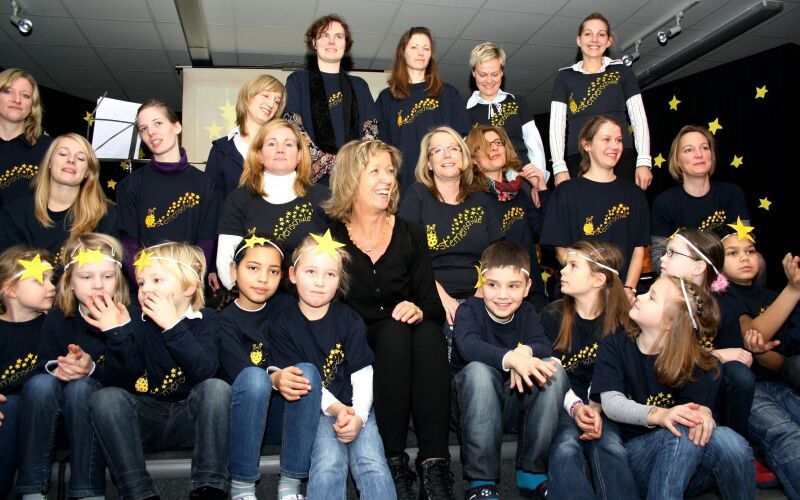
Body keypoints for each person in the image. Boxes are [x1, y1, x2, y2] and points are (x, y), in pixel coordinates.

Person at [326, 140, 454, 499]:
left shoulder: (411, 231)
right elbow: (319, 299)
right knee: (398, 336)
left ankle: (434, 464)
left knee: (428, 332)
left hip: (408, 335)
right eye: (376, 171)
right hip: (355, 340)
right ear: (352, 179)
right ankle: (393, 459)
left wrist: (417, 308)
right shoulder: (330, 236)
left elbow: (432, 304)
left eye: (390, 172)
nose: (387, 180)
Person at [88, 242, 230, 500]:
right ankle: (138, 493)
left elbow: (205, 372)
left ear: (189, 287)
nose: (145, 289)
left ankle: (209, 488)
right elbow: (120, 382)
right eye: (141, 283)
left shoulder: (207, 319)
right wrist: (116, 335)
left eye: (156, 280)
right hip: (145, 418)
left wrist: (173, 326)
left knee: (216, 388)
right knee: (104, 397)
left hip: (189, 418)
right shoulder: (132, 319)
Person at [591, 275, 755, 499]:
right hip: (634, 464)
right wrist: (662, 415)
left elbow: (700, 422)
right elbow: (611, 405)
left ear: (669, 323)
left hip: (687, 470)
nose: (639, 295)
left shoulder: (701, 364)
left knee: (730, 442)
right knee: (682, 429)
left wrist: (705, 415)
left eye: (652, 297)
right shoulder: (615, 346)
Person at [270, 231, 395, 499]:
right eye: (311, 272)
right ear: (292, 274)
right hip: (315, 411)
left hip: (358, 407)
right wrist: (338, 410)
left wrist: (359, 415)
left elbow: (363, 372)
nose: (320, 282)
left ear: (339, 282)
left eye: (330, 275)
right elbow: (303, 381)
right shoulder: (282, 324)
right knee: (329, 464)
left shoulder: (349, 320)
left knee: (372, 463)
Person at [16, 233, 129, 500]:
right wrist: (59, 369)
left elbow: (130, 378)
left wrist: (91, 369)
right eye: (86, 277)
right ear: (69, 282)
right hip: (58, 425)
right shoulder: (57, 319)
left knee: (82, 388)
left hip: (102, 421)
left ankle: (88, 490)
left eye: (107, 277)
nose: (98, 285)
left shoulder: (130, 317)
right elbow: (43, 362)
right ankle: (32, 489)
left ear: (118, 280)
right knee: (39, 382)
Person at [452, 240, 567, 499]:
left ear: (527, 288)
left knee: (554, 372)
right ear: (481, 283)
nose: (502, 295)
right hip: (472, 409)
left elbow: (542, 344)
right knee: (479, 372)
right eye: (493, 285)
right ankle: (481, 480)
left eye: (513, 286)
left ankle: (531, 470)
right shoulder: (469, 310)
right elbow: (468, 345)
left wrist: (524, 352)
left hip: (513, 405)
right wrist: (510, 359)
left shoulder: (527, 312)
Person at [217, 233, 323, 500]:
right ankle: (242, 488)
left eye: (273, 271)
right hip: (242, 422)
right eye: (253, 268)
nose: (263, 278)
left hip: (281, 420)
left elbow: (298, 351)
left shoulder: (286, 307)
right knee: (255, 378)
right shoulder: (222, 321)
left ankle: (290, 486)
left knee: (308, 371)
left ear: (283, 275)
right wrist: (275, 378)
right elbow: (239, 371)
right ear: (233, 270)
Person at [542, 241, 638, 499]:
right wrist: (576, 409)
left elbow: (620, 376)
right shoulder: (552, 316)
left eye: (573, 266)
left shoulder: (622, 322)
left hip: (607, 405)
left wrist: (596, 406)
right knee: (564, 448)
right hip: (564, 404)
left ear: (598, 279)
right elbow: (552, 374)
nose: (562, 271)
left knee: (610, 447)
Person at [716, 223, 800, 496]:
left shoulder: (771, 297)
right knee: (785, 433)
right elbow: (752, 333)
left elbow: (784, 364)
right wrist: (793, 291)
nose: (744, 257)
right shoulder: (721, 297)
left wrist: (762, 353)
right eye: (733, 253)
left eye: (750, 250)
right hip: (750, 391)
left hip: (782, 383)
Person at [398, 126, 502, 327]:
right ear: (428, 162)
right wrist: (442, 298)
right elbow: (406, 257)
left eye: (453, 148)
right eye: (437, 150)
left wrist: (482, 294)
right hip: (431, 298)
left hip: (482, 298)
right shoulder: (417, 194)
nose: (446, 154)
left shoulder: (481, 200)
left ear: (464, 157)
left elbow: (497, 256)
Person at [541, 116, 649, 299]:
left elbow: (639, 250)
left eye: (619, 140)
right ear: (587, 144)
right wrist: (589, 288)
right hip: (579, 296)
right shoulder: (566, 192)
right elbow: (562, 252)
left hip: (621, 296)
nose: (614, 146)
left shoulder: (634, 194)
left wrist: (628, 290)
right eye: (606, 139)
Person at [116, 99, 220, 290]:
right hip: (147, 289)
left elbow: (206, 240)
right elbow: (129, 244)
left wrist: (188, 283)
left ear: (177, 126)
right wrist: (148, 283)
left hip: (188, 287)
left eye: (158, 123)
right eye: (144, 128)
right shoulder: (129, 185)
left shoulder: (206, 184)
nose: (151, 132)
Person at [216, 119, 328, 289]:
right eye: (271, 144)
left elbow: (337, 260)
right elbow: (226, 263)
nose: (280, 150)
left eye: (288, 144)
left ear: (299, 155)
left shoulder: (324, 197)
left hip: (308, 303)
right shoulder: (238, 199)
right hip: (255, 302)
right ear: (259, 154)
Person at [550, 12, 652, 189]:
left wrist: (643, 160)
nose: (594, 39)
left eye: (601, 34)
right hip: (579, 156)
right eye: (588, 34)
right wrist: (559, 166)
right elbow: (557, 125)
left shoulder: (622, 72)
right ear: (579, 40)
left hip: (620, 155)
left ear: (608, 41)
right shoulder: (564, 77)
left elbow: (639, 118)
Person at [284, 14, 379, 185]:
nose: (331, 41)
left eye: (338, 36)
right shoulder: (298, 81)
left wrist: (351, 165)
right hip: (311, 183)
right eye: (324, 35)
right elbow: (292, 126)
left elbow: (370, 131)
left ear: (345, 44)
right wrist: (329, 163)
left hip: (353, 181)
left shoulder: (359, 85)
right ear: (314, 42)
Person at [376, 27, 471, 189]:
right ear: (402, 53)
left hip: (443, 187)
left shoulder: (448, 94)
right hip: (403, 187)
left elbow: (463, 143)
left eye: (426, 48)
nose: (421, 53)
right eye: (414, 47)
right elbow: (382, 149)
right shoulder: (387, 98)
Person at [0, 133, 117, 263]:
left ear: (88, 172)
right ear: (49, 162)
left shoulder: (105, 215)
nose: (71, 160)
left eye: (81, 158)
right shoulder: (14, 214)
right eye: (62, 154)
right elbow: (11, 272)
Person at [466, 125, 548, 310]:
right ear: (474, 160)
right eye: (485, 145)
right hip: (495, 296)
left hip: (531, 292)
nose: (494, 148)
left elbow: (543, 233)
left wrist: (542, 189)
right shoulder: (471, 198)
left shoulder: (520, 191)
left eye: (497, 142)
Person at [650, 125, 750, 267]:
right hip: (685, 275)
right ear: (677, 160)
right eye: (689, 150)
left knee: (757, 261)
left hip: (727, 270)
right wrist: (694, 269)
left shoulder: (731, 194)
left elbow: (744, 245)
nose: (699, 154)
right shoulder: (664, 203)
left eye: (704, 148)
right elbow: (657, 258)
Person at [0, 246, 55, 498]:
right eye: (38, 280)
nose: (51, 286)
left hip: (46, 420)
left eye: (51, 279)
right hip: (7, 418)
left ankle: (32, 490)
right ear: (9, 289)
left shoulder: (54, 326)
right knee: (9, 406)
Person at [466, 42, 547, 190]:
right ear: (473, 73)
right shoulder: (465, 111)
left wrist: (538, 180)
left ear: (502, 72)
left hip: (523, 180)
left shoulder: (517, 103)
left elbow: (534, 143)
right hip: (485, 185)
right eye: (483, 74)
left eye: (494, 74)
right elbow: (466, 156)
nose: (489, 80)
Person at [206, 74, 286, 197]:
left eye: (277, 101)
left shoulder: (282, 148)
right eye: (266, 95)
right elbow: (210, 200)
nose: (271, 104)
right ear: (248, 96)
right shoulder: (220, 149)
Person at [0, 68, 53, 207]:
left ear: (32, 107)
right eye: (8, 92)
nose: (16, 100)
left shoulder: (49, 148)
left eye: (25, 96)